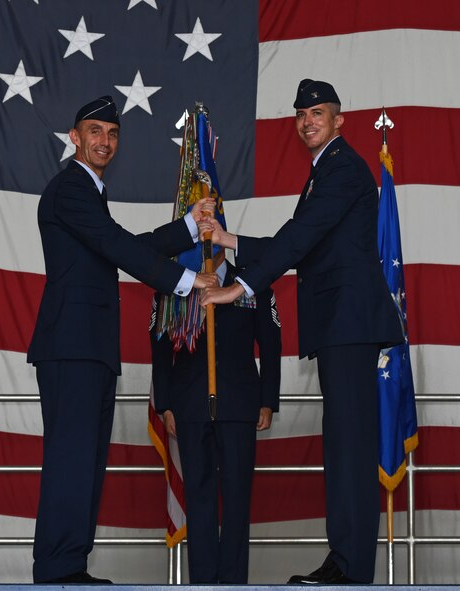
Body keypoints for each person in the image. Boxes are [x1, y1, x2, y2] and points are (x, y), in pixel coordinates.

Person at [200, 80, 404, 584]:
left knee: (351, 447)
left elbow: (300, 238)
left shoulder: (341, 168)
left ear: (339, 120)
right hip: (339, 326)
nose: (307, 120)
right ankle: (344, 559)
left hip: (350, 324)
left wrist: (239, 285)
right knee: (340, 444)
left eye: (318, 112)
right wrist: (230, 239)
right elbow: (302, 239)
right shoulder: (324, 171)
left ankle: (352, 567)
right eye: (301, 114)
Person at [27, 95, 217, 584]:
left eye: (112, 134)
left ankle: (68, 565)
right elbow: (118, 247)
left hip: (88, 348)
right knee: (72, 458)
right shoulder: (71, 188)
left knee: (85, 460)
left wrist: (188, 229)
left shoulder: (89, 193)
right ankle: (56, 570)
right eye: (95, 131)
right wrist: (186, 280)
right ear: (75, 137)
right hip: (72, 347)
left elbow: (121, 246)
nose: (104, 141)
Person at [150, 249, 281, 584]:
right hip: (189, 405)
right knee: (199, 496)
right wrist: (164, 403)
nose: (207, 242)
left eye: (213, 233)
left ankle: (234, 581)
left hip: (239, 404)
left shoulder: (252, 281)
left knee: (237, 497)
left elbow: (270, 342)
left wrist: (267, 400)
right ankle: (204, 581)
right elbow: (161, 346)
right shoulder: (174, 284)